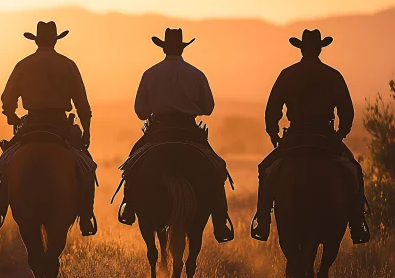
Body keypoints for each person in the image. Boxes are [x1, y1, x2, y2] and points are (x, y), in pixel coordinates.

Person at [251, 28, 370, 244]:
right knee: (354, 171)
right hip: (326, 137)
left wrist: (274, 134)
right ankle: (357, 223)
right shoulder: (333, 75)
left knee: (265, 170)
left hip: (294, 137)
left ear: (301, 49)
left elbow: (272, 110)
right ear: (319, 49)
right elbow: (347, 112)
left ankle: (263, 221)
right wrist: (339, 135)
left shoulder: (287, 74)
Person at [117, 27, 234, 243]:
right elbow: (208, 107)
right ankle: (220, 221)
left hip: (158, 130)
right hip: (189, 130)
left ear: (163, 48)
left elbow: (140, 111)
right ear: (182, 48)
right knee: (218, 168)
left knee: (132, 164)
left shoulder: (150, 73)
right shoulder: (196, 73)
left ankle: (129, 206)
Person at [0, 20, 97, 236]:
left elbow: (7, 98)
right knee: (87, 167)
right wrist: (87, 130)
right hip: (60, 126)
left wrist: (12, 116)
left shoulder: (23, 64)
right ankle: (86, 216)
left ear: (36, 40)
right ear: (55, 40)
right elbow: (82, 103)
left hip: (32, 124)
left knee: (6, 162)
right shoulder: (68, 65)